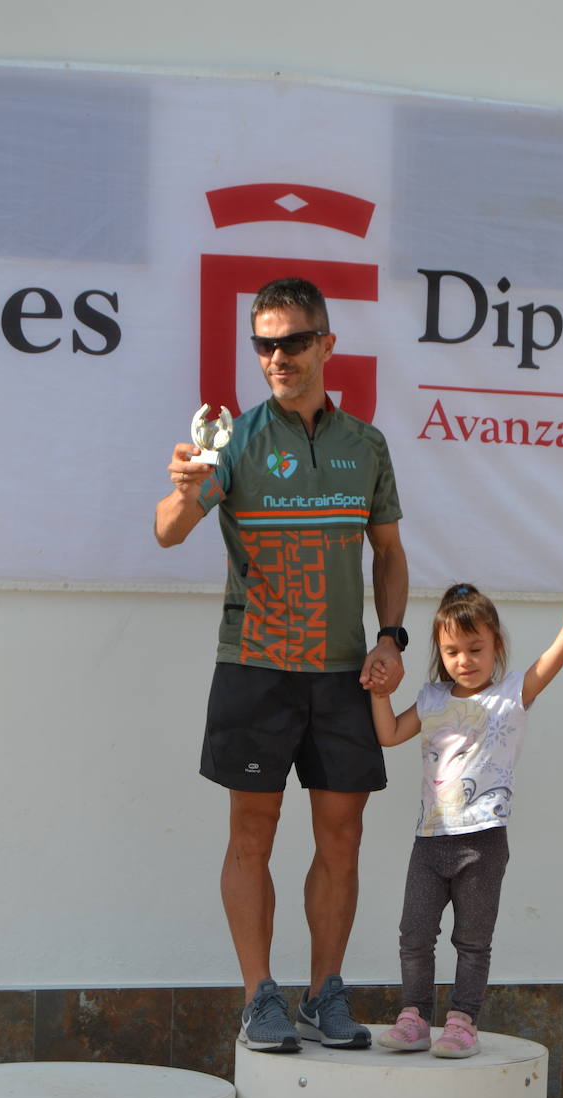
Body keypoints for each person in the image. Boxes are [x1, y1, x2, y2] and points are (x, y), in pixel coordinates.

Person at [155, 277, 408, 1053]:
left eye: (293, 341)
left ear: (326, 345)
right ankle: (259, 995)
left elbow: (390, 553)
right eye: (263, 343)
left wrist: (391, 637)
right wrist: (188, 486)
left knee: (342, 839)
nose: (277, 357)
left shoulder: (365, 445)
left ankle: (323, 993)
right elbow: (168, 531)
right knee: (250, 837)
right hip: (256, 665)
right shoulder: (232, 441)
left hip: (341, 674)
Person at [371, 568, 563, 1058]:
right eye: (453, 651)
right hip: (430, 839)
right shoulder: (432, 698)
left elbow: (553, 658)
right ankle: (414, 1016)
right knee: (414, 933)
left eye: (475, 649)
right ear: (439, 652)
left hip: (483, 840)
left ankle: (463, 1021)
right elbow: (389, 734)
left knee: (472, 940)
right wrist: (378, 694)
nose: (464, 661)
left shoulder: (510, 696)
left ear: (495, 645)